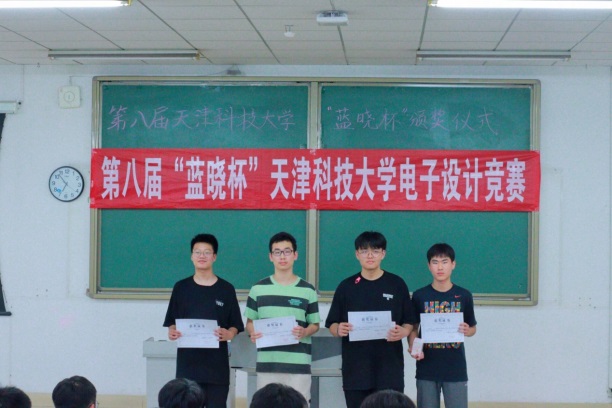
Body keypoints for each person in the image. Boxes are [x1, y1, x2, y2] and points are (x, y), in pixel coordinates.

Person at [325, 231, 415, 408]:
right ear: (357, 254)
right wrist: (338, 329)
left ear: (383, 253)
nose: (370, 255)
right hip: (356, 371)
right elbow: (332, 324)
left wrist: (403, 331)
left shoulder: (397, 284)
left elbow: (409, 321)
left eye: (375, 250)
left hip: (389, 369)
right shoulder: (346, 286)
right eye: (364, 251)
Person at [163, 233, 244, 408]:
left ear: (214, 257)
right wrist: (172, 331)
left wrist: (229, 333)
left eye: (207, 252)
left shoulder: (226, 289)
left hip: (217, 369)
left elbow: (236, 325)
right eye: (197, 252)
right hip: (187, 367)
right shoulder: (181, 288)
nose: (202, 256)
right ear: (191, 256)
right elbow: (172, 321)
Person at [245, 231, 320, 403]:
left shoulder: (307, 289)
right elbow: (249, 322)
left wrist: (304, 331)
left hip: (298, 365)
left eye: (287, 251)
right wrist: (252, 332)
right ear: (271, 257)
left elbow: (314, 324)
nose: (282, 256)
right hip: (268, 364)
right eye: (277, 252)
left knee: (299, 404)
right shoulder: (258, 289)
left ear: (295, 255)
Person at [408, 243, 477, 408]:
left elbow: (472, 328)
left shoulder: (464, 295)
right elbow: (413, 327)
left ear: (453, 264)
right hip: (427, 367)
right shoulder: (420, 295)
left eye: (445, 262)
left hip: (455, 368)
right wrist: (413, 347)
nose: (440, 267)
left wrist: (467, 330)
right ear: (429, 266)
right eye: (435, 262)